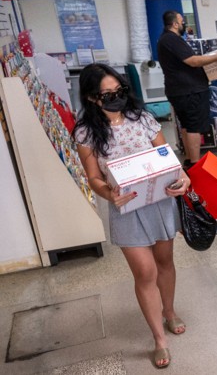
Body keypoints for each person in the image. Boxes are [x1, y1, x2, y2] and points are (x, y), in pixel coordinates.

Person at [73, 63, 192, 369]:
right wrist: (108, 193)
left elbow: (167, 157)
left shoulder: (143, 119)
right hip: (125, 208)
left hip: (159, 201)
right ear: (91, 98)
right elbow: (93, 178)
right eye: (106, 94)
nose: (115, 98)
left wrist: (183, 178)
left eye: (119, 91)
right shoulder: (86, 132)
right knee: (145, 272)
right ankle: (159, 339)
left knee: (165, 262)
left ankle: (169, 311)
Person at [157, 10, 217, 170]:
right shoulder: (172, 39)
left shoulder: (166, 40)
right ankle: (196, 164)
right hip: (188, 92)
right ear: (175, 24)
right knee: (194, 126)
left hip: (180, 90)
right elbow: (193, 61)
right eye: (182, 21)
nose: (184, 24)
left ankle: (190, 160)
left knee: (187, 125)